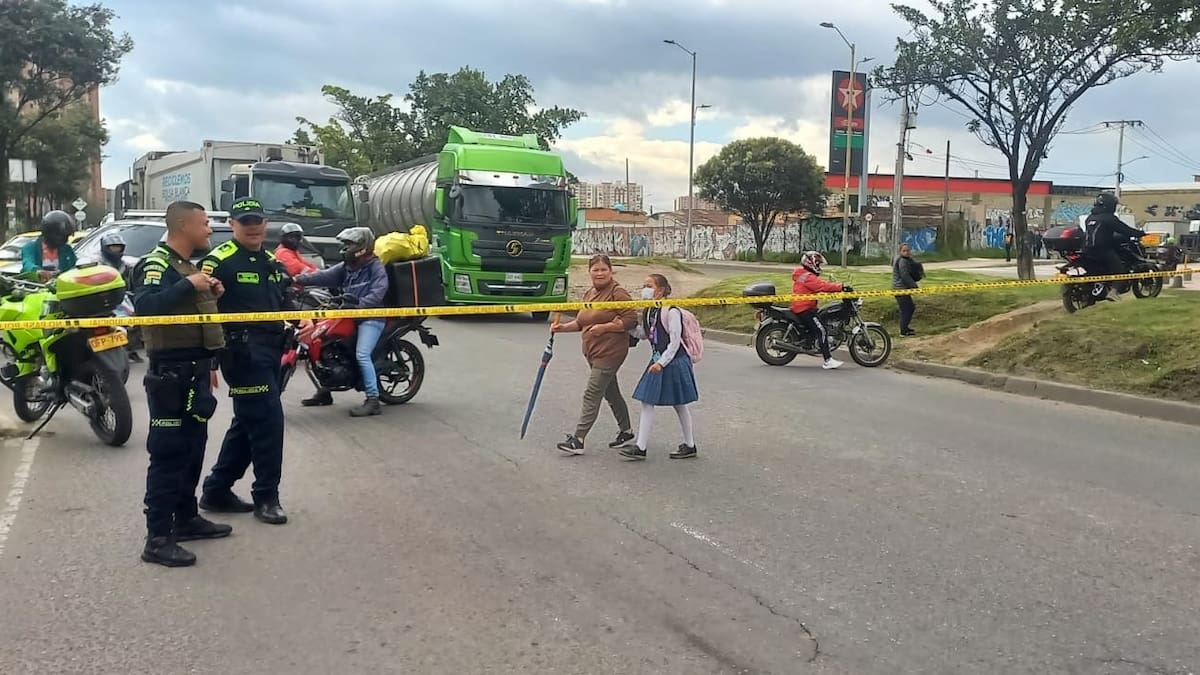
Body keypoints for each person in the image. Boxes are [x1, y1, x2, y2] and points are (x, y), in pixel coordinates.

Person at [131, 200, 229, 567]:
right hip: (170, 374)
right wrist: (189, 284)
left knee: (193, 447)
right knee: (168, 453)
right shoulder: (157, 265)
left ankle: (186, 518)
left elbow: (195, 318)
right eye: (204, 223)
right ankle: (157, 537)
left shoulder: (188, 267)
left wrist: (207, 289)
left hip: (196, 370)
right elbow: (146, 308)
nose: (208, 230)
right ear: (184, 226)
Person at [197, 198, 292, 525]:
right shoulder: (218, 262)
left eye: (258, 220)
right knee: (268, 422)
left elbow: (286, 303)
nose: (253, 226)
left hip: (272, 351)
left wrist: (303, 321)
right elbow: (203, 312)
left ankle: (216, 489)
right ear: (232, 224)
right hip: (241, 354)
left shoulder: (271, 262)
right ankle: (267, 495)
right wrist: (209, 361)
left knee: (249, 423)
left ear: (265, 223)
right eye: (245, 221)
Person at [293, 227, 390, 417]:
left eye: (349, 245)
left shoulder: (375, 267)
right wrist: (296, 279)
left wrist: (361, 305)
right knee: (320, 346)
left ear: (362, 247)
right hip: (348, 315)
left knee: (362, 354)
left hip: (371, 318)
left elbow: (380, 289)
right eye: (345, 245)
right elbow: (322, 276)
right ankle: (325, 392)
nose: (344, 249)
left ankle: (373, 400)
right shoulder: (347, 267)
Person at [551, 254, 638, 455]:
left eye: (603, 269)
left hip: (610, 352)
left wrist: (605, 328)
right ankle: (626, 431)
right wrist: (562, 328)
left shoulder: (618, 293)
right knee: (611, 392)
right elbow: (582, 323)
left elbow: (632, 319)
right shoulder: (589, 293)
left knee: (592, 393)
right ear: (589, 272)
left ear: (611, 271)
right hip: (592, 351)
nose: (599, 273)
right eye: (595, 270)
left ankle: (578, 439)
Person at [619, 274, 699, 461]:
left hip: (673, 360)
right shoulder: (649, 311)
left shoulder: (670, 312)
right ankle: (643, 446)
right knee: (648, 400)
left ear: (661, 290)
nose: (645, 289)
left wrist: (661, 363)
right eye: (644, 285)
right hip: (658, 360)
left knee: (678, 403)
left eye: (649, 285)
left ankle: (688, 444)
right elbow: (646, 334)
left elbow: (675, 341)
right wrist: (626, 326)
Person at [788, 251, 849, 370]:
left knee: (820, 323)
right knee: (822, 330)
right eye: (818, 264)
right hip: (804, 309)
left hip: (804, 306)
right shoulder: (808, 277)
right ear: (812, 263)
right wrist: (841, 286)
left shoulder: (803, 274)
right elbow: (823, 286)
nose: (819, 267)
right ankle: (828, 360)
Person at [1083, 192, 1144, 300]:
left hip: (1087, 250)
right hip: (1103, 251)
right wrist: (1140, 233)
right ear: (1111, 205)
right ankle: (1113, 292)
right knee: (1120, 272)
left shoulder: (1090, 218)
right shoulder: (1109, 218)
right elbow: (1126, 230)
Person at [22, 210, 78, 280]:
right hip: (37, 288)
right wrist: (38, 272)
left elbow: (74, 267)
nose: (66, 240)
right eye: (63, 236)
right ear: (50, 233)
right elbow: (27, 264)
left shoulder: (67, 249)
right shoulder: (30, 248)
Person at [892, 244, 919, 336]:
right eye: (904, 251)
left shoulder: (906, 260)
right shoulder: (902, 261)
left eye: (908, 250)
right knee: (907, 309)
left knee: (910, 308)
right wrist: (914, 286)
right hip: (900, 289)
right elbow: (905, 276)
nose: (907, 252)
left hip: (903, 289)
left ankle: (905, 328)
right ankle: (903, 331)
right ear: (900, 252)